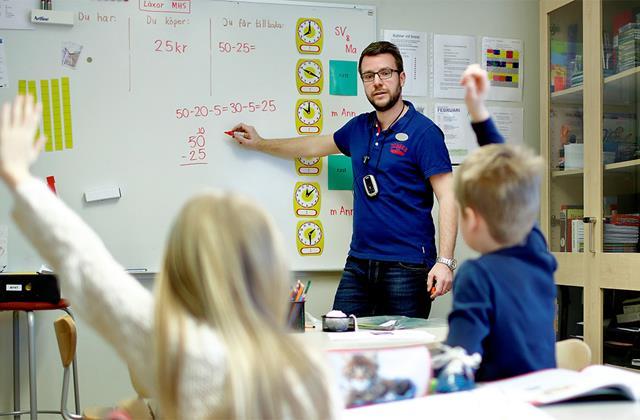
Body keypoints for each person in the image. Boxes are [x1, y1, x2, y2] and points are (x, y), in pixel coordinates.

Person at [0, 96, 337, 419]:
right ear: (271, 266)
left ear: (180, 266)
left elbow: (89, 267)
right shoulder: (308, 368)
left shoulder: (175, 349)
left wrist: (18, 177)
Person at [230, 41, 457, 318]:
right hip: (359, 262)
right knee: (338, 338)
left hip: (407, 266)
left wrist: (445, 262)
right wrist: (260, 143)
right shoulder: (359, 128)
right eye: (369, 76)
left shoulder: (425, 133)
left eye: (385, 73)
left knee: (399, 351)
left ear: (402, 77)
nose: (378, 82)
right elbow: (311, 147)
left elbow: (448, 197)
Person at [445, 64, 558, 381]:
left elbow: (458, 362)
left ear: (471, 219)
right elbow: (511, 179)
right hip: (543, 401)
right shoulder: (537, 254)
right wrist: (478, 112)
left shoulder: (476, 275)